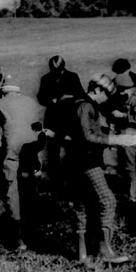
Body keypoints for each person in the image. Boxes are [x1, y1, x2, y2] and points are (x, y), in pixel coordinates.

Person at [58, 74, 136, 266]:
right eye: (107, 94)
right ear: (97, 90)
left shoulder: (78, 104)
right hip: (87, 162)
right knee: (107, 200)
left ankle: (81, 255)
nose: (108, 98)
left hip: (75, 162)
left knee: (82, 205)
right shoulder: (86, 106)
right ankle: (105, 250)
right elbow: (87, 136)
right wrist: (114, 140)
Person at [0, 83, 44, 250]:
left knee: (11, 188)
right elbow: (38, 125)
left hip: (11, 144)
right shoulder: (31, 102)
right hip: (31, 144)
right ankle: (33, 230)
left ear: (3, 92)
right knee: (29, 185)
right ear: (18, 91)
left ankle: (18, 238)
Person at [37, 55, 85, 187]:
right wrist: (50, 100)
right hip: (53, 119)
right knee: (53, 152)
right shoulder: (45, 79)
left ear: (63, 67)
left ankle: (74, 180)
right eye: (53, 69)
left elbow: (81, 95)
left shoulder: (72, 77)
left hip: (69, 119)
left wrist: (68, 98)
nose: (55, 71)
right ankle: (56, 182)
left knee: (72, 150)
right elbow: (40, 97)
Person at [107, 71, 136, 204]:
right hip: (122, 136)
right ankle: (131, 191)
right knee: (124, 167)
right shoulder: (122, 99)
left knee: (130, 167)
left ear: (131, 88)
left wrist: (123, 116)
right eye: (119, 90)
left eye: (123, 90)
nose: (120, 93)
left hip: (132, 137)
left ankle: (135, 195)